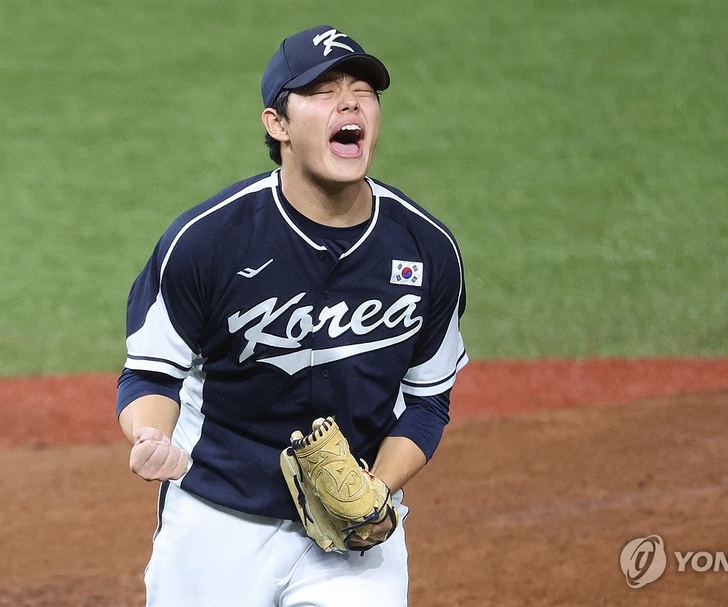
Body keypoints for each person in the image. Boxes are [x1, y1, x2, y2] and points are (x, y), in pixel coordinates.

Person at [116, 24, 467, 606]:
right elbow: (151, 375)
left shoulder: (426, 249)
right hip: (215, 521)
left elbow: (428, 401)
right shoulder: (208, 242)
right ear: (277, 124)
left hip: (356, 542)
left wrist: (375, 489)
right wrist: (149, 433)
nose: (349, 101)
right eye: (323, 91)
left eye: (362, 89)